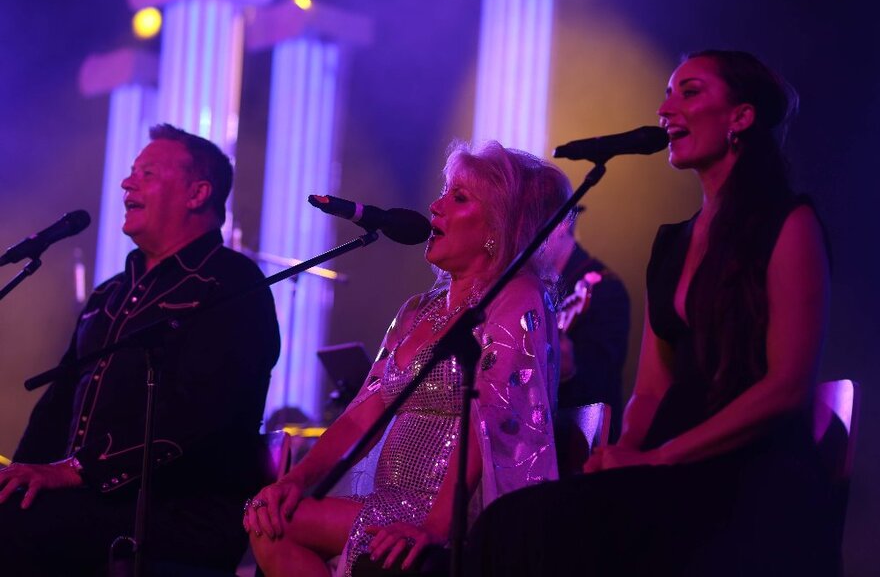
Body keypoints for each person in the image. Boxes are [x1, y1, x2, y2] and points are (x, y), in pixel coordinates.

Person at [465, 50, 836, 576]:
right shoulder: (672, 243)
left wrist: (661, 458)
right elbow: (652, 389)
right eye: (666, 93)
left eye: (689, 92)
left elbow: (787, 386)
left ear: (741, 116)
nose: (665, 108)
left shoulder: (789, 222)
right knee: (506, 525)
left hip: (751, 471)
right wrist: (619, 454)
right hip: (669, 468)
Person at [244, 140, 570, 577]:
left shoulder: (516, 297)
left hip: (451, 511)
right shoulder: (418, 309)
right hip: (391, 502)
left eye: (459, 198)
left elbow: (491, 420)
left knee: (281, 526)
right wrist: (294, 481)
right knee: (268, 518)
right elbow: (362, 415)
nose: (435, 207)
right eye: (443, 193)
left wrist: (437, 525)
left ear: (498, 225)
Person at [0, 124, 281, 575]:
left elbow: (199, 412)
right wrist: (22, 475)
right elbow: (55, 407)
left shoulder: (231, 284)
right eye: (131, 173)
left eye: (147, 173)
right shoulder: (107, 294)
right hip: (85, 501)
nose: (127, 183)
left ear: (197, 194)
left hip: (176, 513)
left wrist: (76, 471)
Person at [547, 205, 630, 465]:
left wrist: (569, 369)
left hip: (575, 457)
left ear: (561, 224)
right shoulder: (531, 286)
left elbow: (601, 386)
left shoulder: (605, 289)